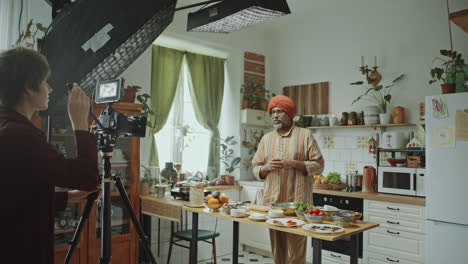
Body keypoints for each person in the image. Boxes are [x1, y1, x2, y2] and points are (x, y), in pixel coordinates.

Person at [0, 47, 99, 263]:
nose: (50, 88)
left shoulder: (7, 126)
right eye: (45, 81)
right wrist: (80, 123)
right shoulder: (19, 135)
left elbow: (13, 194)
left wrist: (68, 197)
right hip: (20, 249)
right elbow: (88, 177)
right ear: (28, 87)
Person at [252, 94, 324, 264]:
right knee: (278, 248)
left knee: (297, 250)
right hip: (273, 203)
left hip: (298, 203)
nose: (275, 115)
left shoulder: (305, 135)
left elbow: (319, 165)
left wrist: (294, 163)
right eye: (273, 112)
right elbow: (255, 167)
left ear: (290, 114)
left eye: (280, 111)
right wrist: (266, 167)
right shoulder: (266, 139)